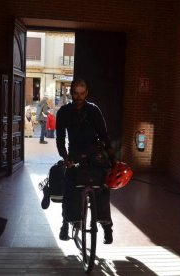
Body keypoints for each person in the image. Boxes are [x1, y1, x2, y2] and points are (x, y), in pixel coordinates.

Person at [55, 78, 116, 244]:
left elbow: (103, 135)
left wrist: (111, 158)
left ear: (86, 93)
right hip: (74, 154)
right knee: (69, 187)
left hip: (94, 153)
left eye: (82, 94)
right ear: (71, 93)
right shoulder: (63, 112)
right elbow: (60, 139)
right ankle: (65, 224)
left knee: (102, 187)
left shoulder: (94, 110)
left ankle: (107, 227)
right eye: (76, 93)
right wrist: (65, 157)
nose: (79, 97)